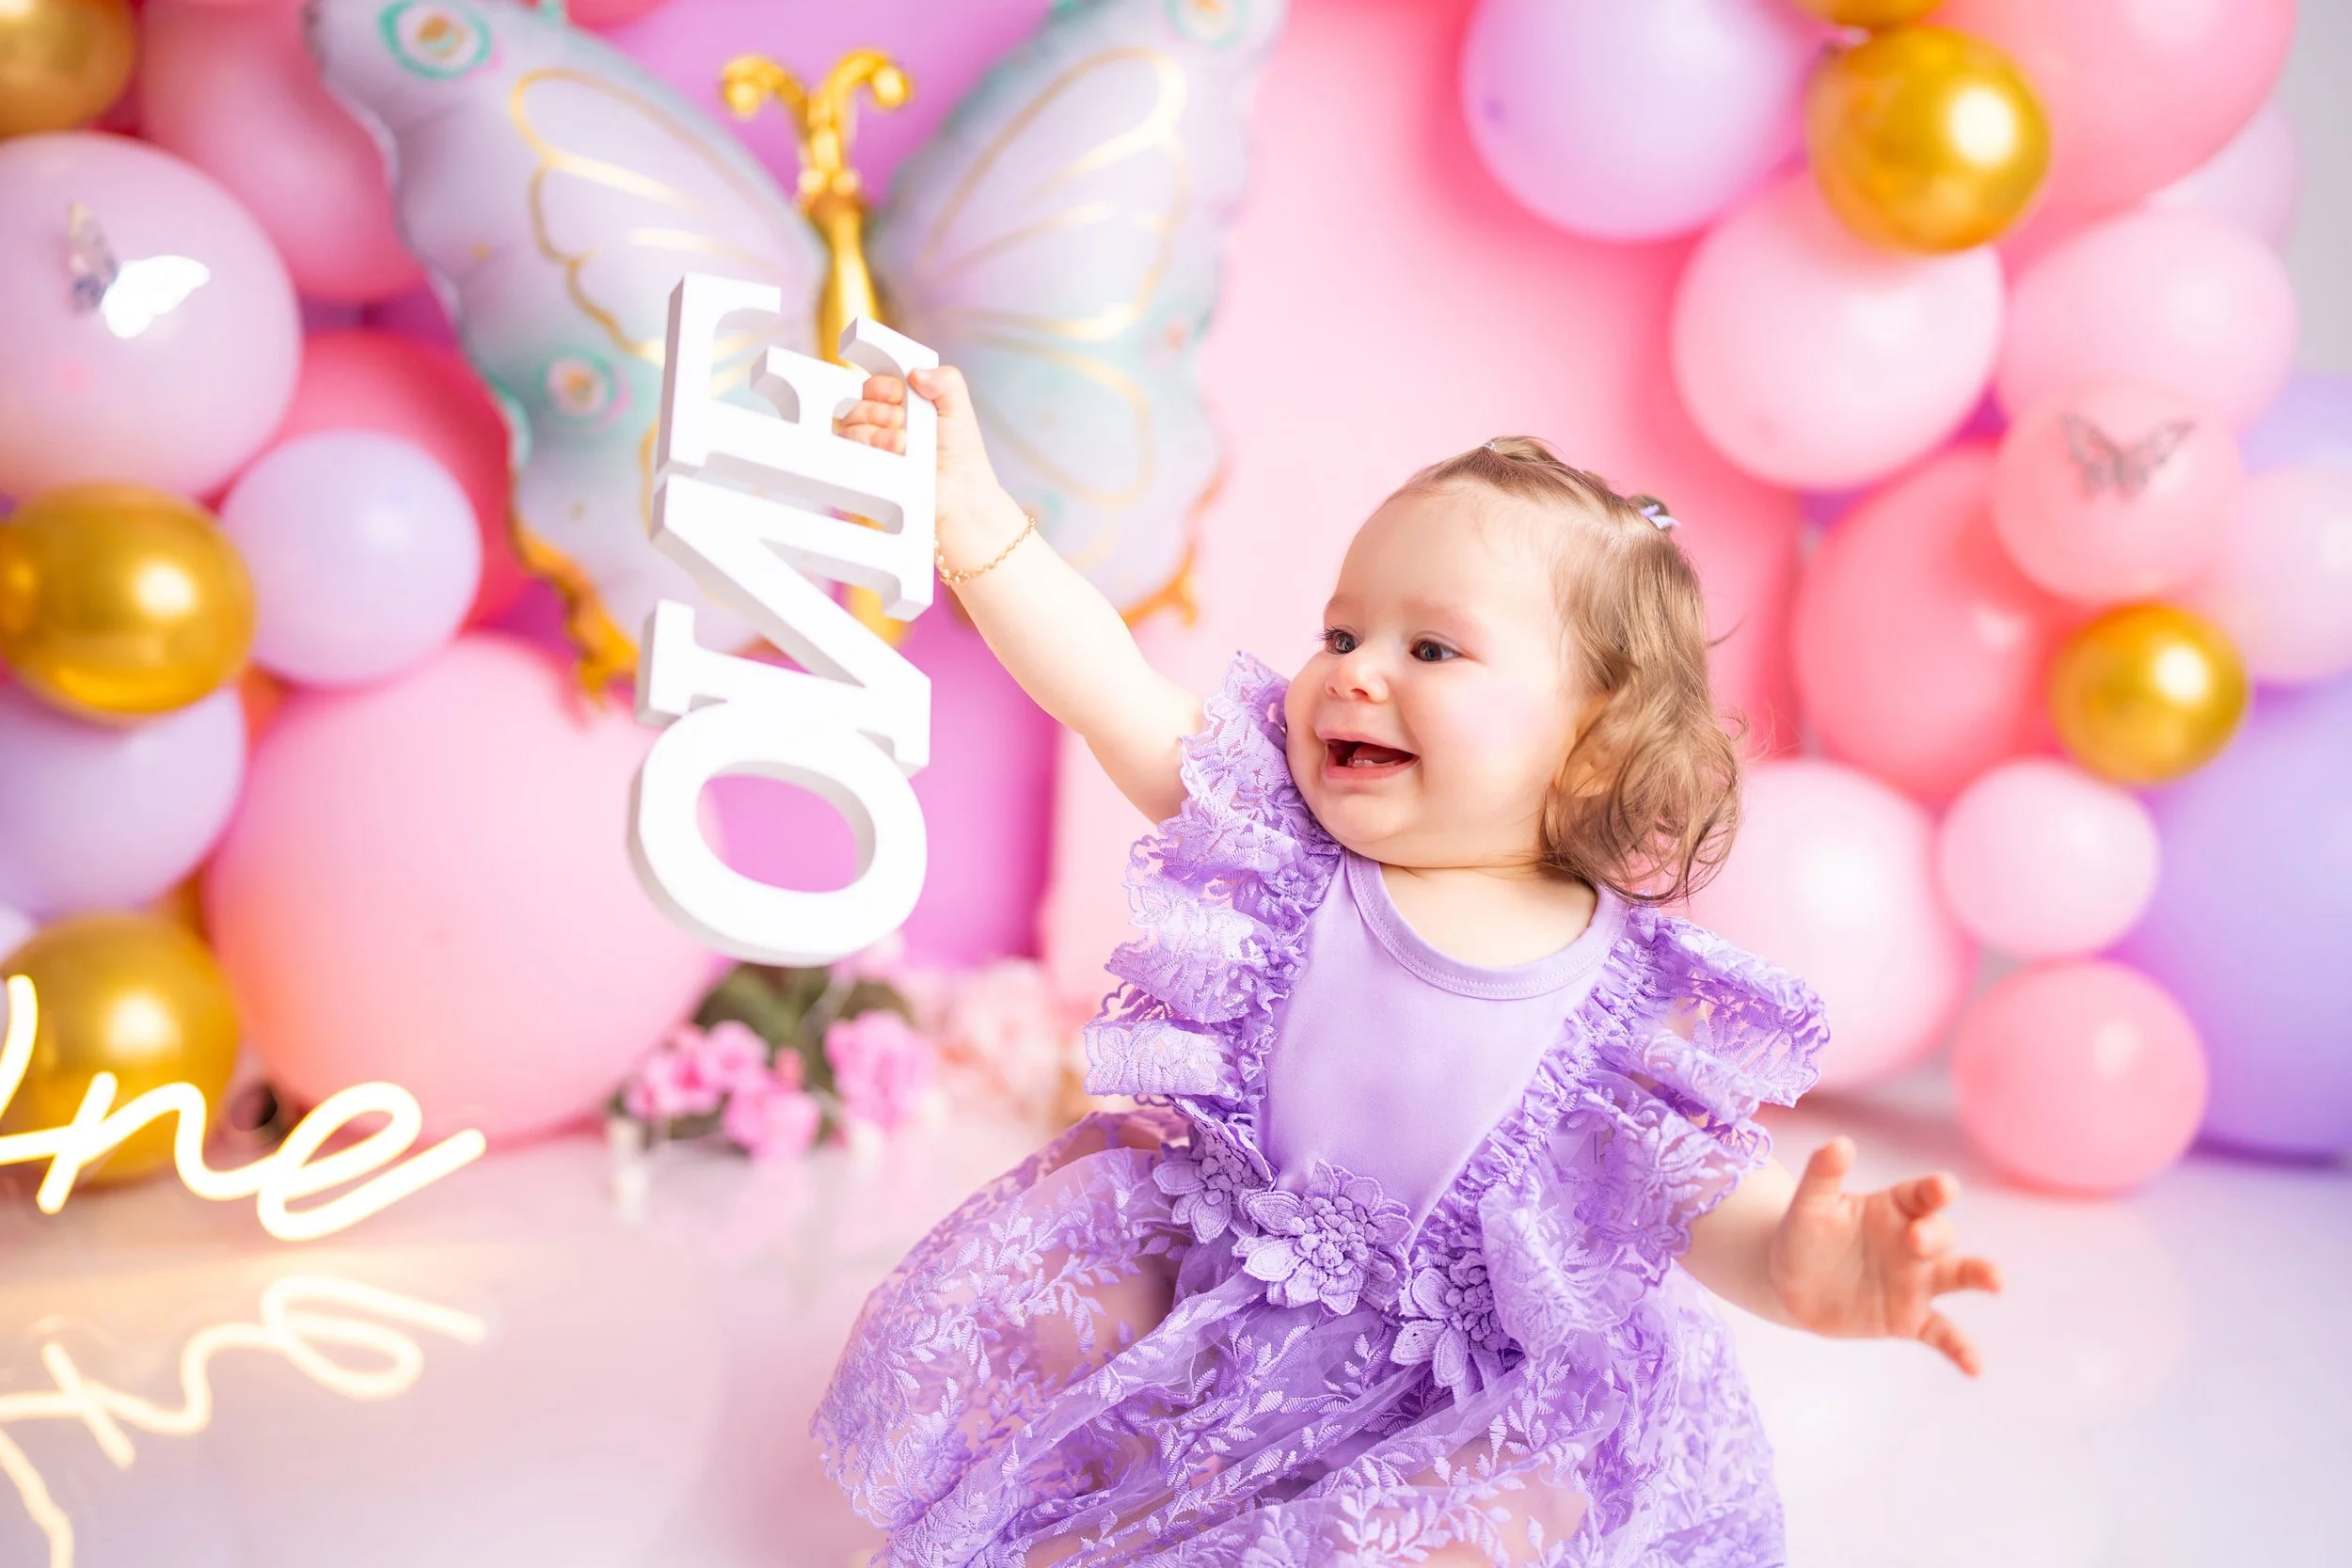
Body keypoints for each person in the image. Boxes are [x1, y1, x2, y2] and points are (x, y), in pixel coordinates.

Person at [810, 368, 2002, 1566]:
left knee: (1494, 1516)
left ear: (1593, 746)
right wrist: (974, 520)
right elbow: (1105, 686)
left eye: (1430, 646)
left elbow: (1695, 1200)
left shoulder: (1619, 1013)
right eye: (1340, 633)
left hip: (1444, 1395)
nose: (1352, 669)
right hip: (1229, 1291)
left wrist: (1800, 1265)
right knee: (1060, 1313)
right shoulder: (1282, 851)